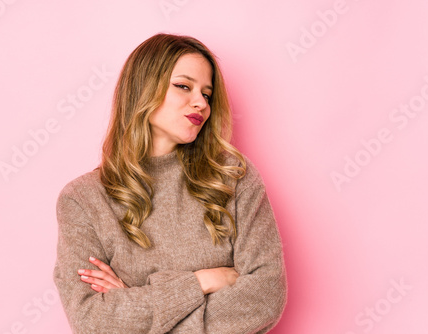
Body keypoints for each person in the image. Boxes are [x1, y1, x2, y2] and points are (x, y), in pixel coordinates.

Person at [53, 33, 287, 334]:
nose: (200, 103)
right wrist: (202, 282)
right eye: (183, 87)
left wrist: (135, 304)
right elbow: (91, 321)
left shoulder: (233, 176)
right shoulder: (82, 200)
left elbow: (266, 298)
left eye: (207, 94)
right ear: (143, 90)